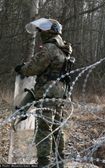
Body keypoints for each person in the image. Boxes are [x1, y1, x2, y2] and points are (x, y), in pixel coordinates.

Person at [14, 18, 73, 168]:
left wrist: (22, 68)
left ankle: (44, 162)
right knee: (57, 127)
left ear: (49, 31)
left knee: (44, 129)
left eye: (42, 31)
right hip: (60, 92)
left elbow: (34, 68)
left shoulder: (49, 48)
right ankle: (60, 161)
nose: (40, 33)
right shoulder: (63, 47)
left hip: (48, 91)